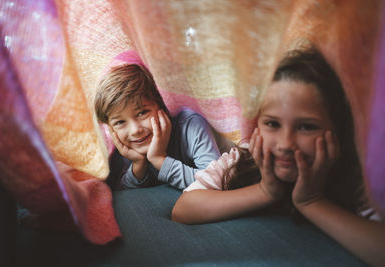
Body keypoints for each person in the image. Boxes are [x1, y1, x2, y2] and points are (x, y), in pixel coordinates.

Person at [171, 48, 385, 266]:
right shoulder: (244, 157)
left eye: (306, 127)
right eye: (272, 124)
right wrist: (265, 191)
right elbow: (184, 208)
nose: (285, 144)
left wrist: (312, 202)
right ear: (257, 126)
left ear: (337, 131)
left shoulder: (357, 178)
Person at [95, 62, 221, 190]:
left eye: (142, 113)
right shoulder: (125, 146)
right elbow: (123, 192)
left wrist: (159, 159)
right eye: (120, 122)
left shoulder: (190, 124)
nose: (135, 130)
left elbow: (215, 181)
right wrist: (138, 164)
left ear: (161, 104)